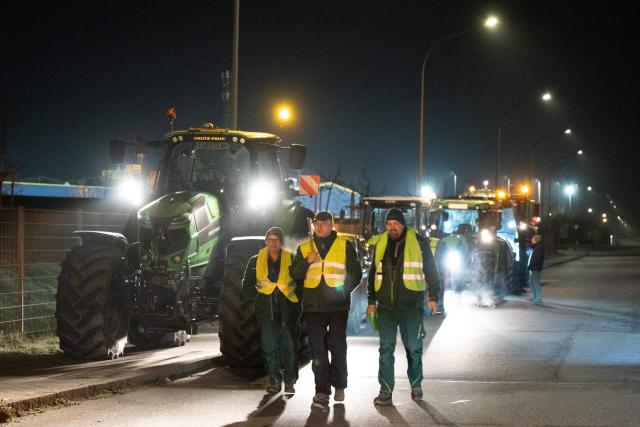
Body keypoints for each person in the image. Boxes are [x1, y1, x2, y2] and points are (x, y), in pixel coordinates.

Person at [366, 208, 441, 406]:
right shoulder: (380, 242)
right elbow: (373, 273)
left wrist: (433, 296)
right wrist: (371, 302)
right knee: (385, 349)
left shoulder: (418, 242)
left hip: (411, 307)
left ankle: (416, 385)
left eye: (395, 224)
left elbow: (432, 270)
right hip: (385, 308)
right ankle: (385, 391)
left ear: (402, 225)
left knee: (414, 348)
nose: (392, 228)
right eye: (389, 224)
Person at [290, 211, 363, 408]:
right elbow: (294, 273)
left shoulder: (344, 245)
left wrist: (343, 291)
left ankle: (339, 385)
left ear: (332, 225)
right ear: (313, 225)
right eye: (316, 223)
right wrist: (307, 261)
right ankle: (321, 391)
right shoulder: (305, 248)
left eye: (323, 223)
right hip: (314, 307)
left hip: (338, 307)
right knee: (318, 350)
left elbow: (355, 273)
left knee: (337, 346)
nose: (319, 227)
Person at [243, 227, 302, 394]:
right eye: (270, 240)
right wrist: (257, 298)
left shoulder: (292, 258)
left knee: (289, 347)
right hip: (266, 311)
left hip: (288, 310)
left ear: (281, 242)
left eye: (276, 240)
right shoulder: (255, 260)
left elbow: (301, 282)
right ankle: (274, 381)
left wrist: (298, 302)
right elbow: (247, 284)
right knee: (269, 347)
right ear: (265, 242)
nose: (273, 243)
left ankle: (290, 381)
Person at [527, 234, 545, 305]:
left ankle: (538, 298)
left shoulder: (538, 247)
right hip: (534, 267)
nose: (531, 240)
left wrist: (530, 265)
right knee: (532, 282)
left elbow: (536, 259)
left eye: (532, 239)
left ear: (535, 240)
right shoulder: (537, 247)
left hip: (535, 267)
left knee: (535, 282)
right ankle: (534, 296)